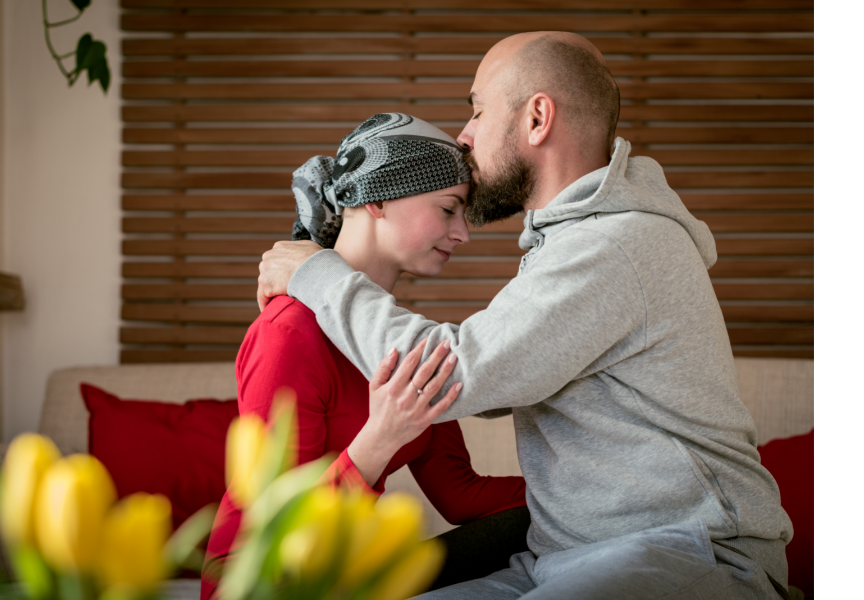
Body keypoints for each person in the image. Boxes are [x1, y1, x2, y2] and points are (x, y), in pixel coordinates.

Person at [255, 32, 794, 600]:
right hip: (562, 557)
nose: (463, 137)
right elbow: (497, 379)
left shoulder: (614, 245)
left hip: (686, 552)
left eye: (477, 109)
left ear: (537, 118)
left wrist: (315, 274)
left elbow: (459, 374)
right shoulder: (570, 245)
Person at [200, 113, 529, 600]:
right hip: (264, 582)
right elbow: (280, 529)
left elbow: (461, 495)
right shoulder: (288, 332)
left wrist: (594, 496)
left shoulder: (396, 340)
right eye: (448, 209)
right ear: (377, 200)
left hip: (349, 575)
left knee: (537, 528)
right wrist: (380, 438)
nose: (463, 233)